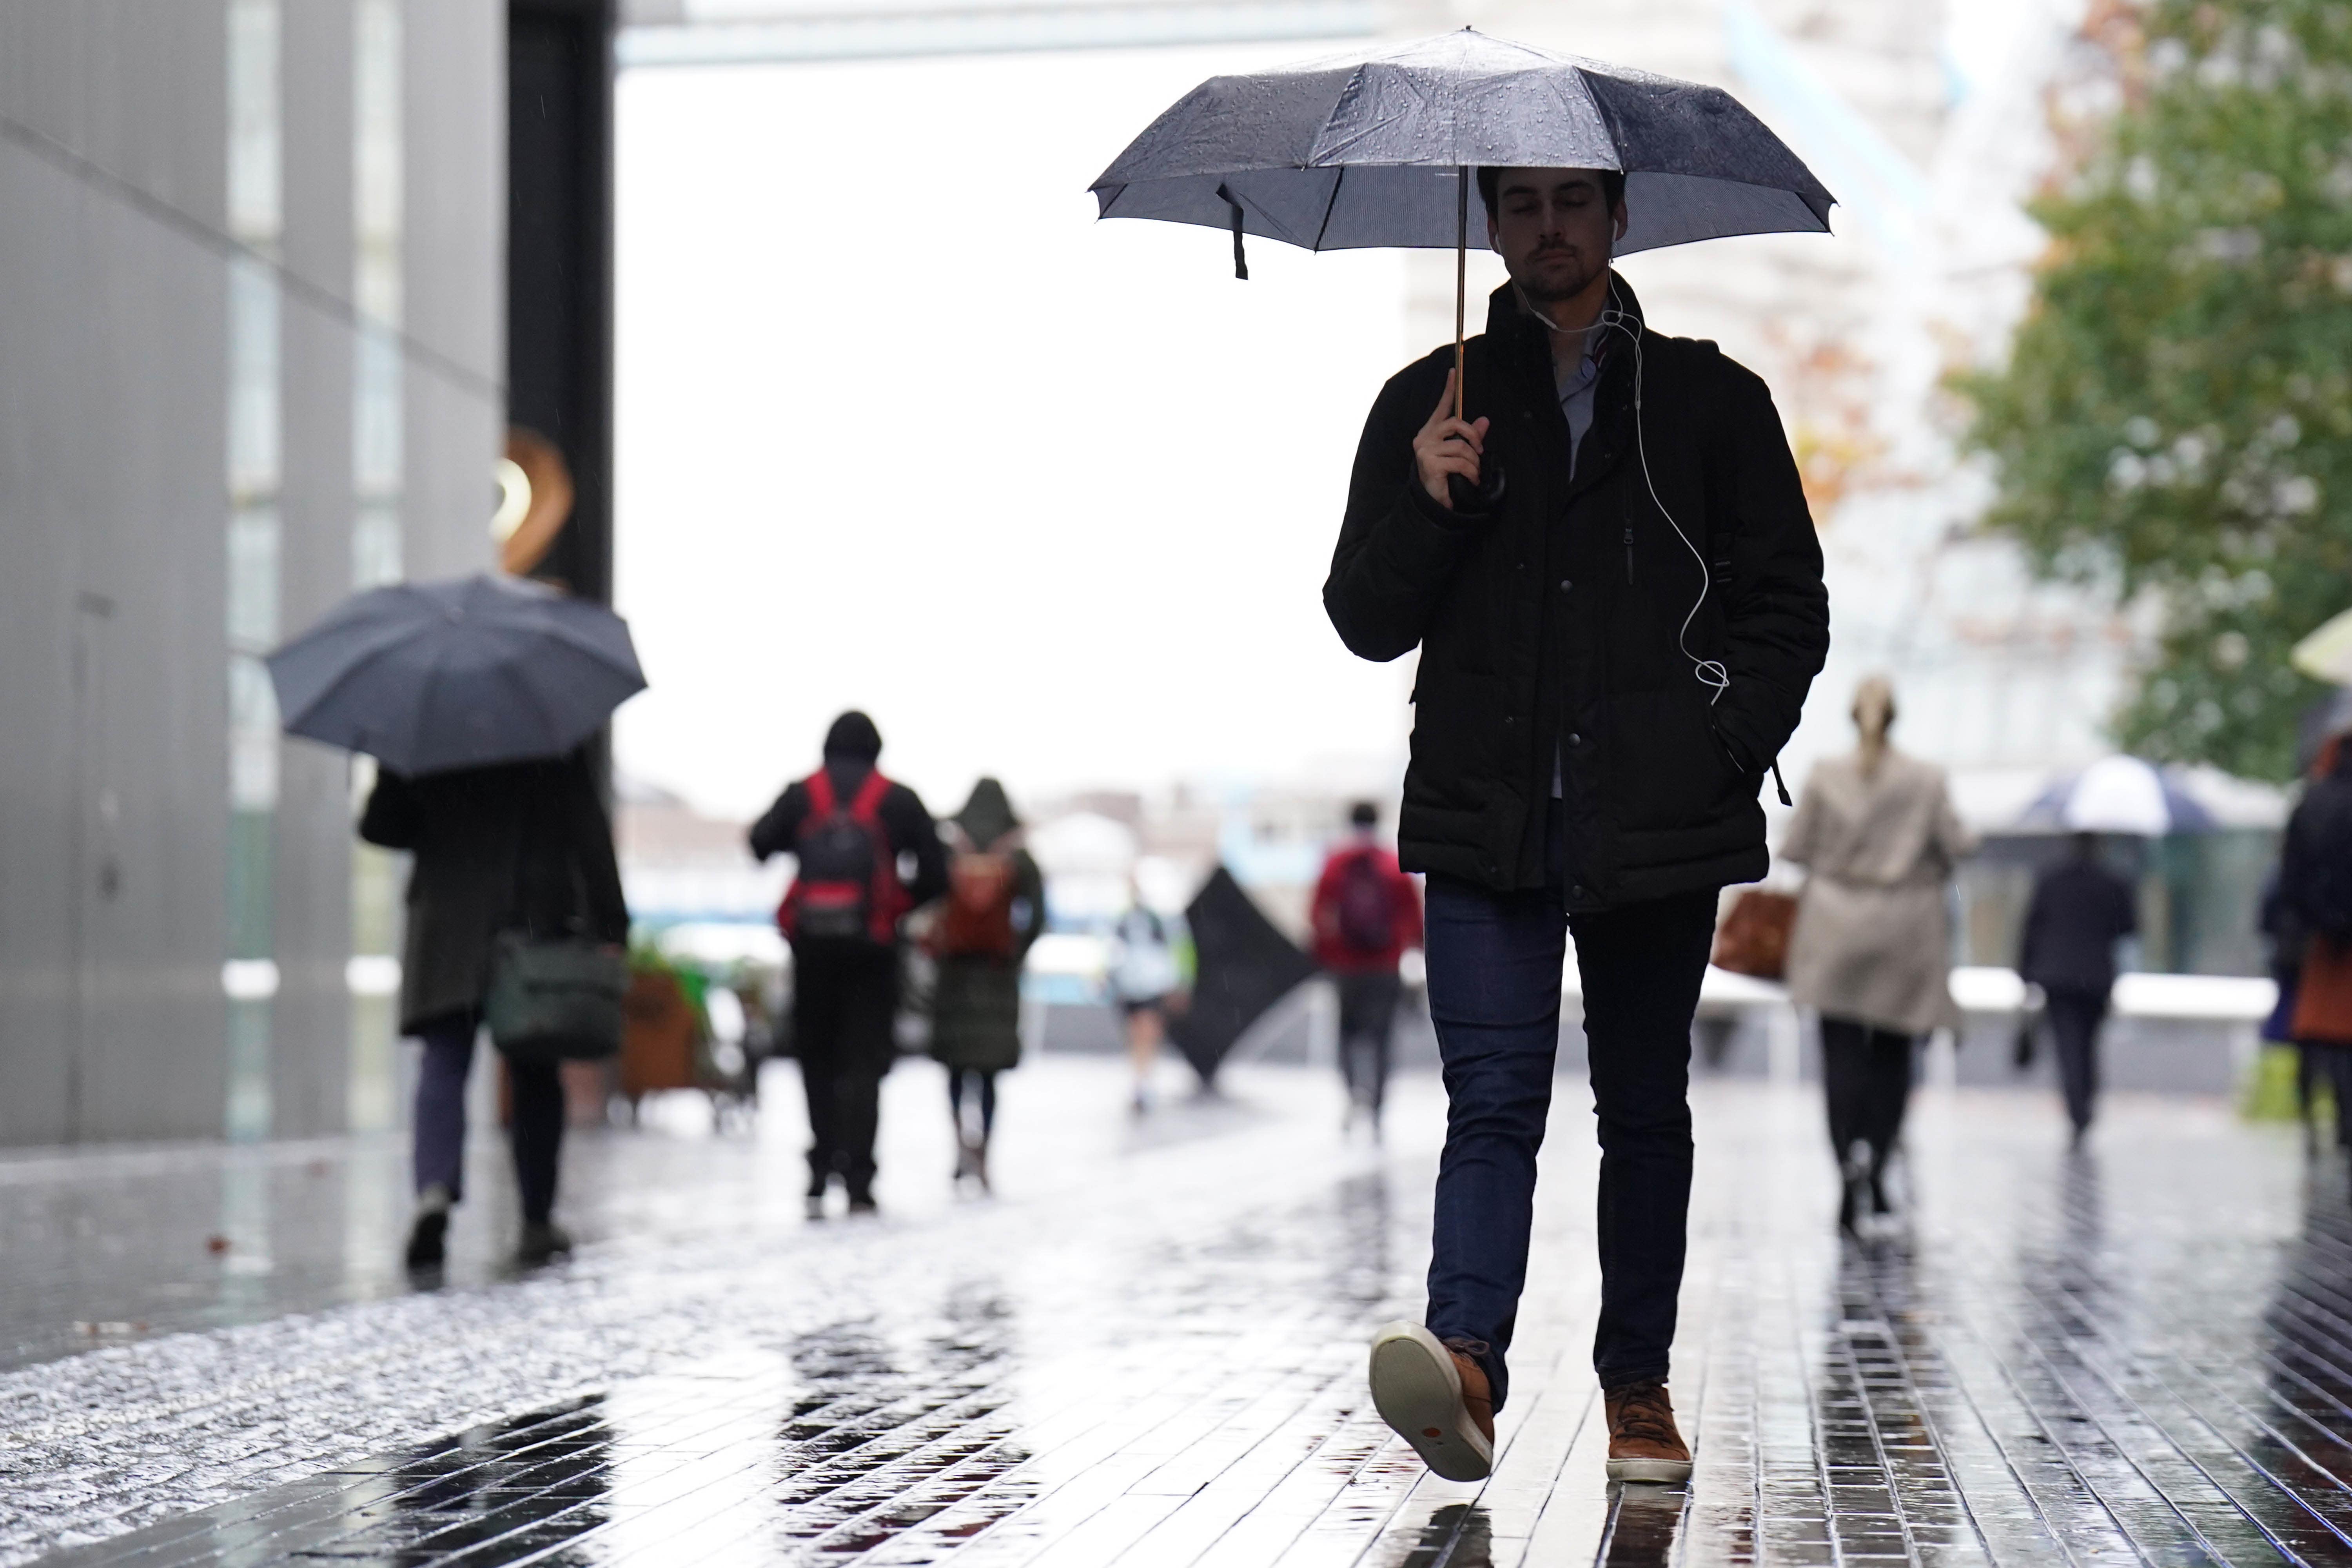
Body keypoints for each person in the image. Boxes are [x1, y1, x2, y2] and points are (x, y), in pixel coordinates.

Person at [1327, 165, 1829, 1485]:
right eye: (1521, 205)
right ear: (1491, 225)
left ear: (1617, 217)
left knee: (1645, 1109)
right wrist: (1433, 506)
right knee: (1490, 1102)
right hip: (1485, 817)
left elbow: (1789, 606)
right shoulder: (1426, 405)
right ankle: (1469, 1365)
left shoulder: (1711, 402)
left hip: (1658, 818)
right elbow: (1363, 620)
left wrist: (1721, 743)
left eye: (1571, 203)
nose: (1546, 229)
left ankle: (1638, 1386)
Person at [360, 749, 628, 1269]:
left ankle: (433, 1192)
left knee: (444, 1061)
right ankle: (534, 1219)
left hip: (446, 923)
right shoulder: (547, 734)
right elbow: (588, 828)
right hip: (529, 923)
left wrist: (404, 778)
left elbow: (380, 825)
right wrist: (612, 924)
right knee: (534, 1069)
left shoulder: (427, 733)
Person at [1780, 677, 1973, 1234]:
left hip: (1833, 930)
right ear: (1896, 717)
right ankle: (1880, 1166)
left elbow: (1794, 848)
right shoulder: (1927, 779)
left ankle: (1846, 1168)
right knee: (1894, 1060)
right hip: (1904, 931)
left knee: (1839, 1061)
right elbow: (1957, 844)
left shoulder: (1824, 774)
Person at [750, 711, 946, 1218]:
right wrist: (897, 905)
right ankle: (859, 1177)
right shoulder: (897, 800)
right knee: (864, 1061)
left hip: (812, 950)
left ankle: (819, 1167)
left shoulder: (803, 795)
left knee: (815, 1057)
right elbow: (938, 875)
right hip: (873, 953)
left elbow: (758, 844)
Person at [926, 778, 1045, 1192]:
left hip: (955, 976)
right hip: (998, 978)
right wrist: (1016, 954)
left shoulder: (950, 850)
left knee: (957, 1071)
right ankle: (986, 1154)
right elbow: (1041, 916)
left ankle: (961, 1146)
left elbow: (927, 900)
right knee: (990, 1075)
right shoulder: (1017, 856)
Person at [2017, 833, 2138, 1145]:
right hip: (2096, 977)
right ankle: (2085, 1107)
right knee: (2088, 1046)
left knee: (2068, 1046)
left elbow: (2030, 928)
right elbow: (2128, 926)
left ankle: (2078, 1110)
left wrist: (2025, 974)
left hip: (2058, 977)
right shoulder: (2112, 882)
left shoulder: (2051, 880)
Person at [1311, 800, 1423, 1135]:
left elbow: (1319, 914)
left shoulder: (1335, 863)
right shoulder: (1392, 863)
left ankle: (1351, 1094)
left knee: (1346, 1034)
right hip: (1386, 966)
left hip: (1346, 967)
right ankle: (1377, 1105)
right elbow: (1414, 919)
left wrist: (1327, 954)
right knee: (1383, 1037)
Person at [1107, 887, 1184, 1114]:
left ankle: (1143, 1081)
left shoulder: (1161, 919)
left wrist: (1176, 982)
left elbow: (1177, 949)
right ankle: (1140, 1081)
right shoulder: (1123, 919)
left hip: (1153, 984)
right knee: (1138, 1035)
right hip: (1131, 985)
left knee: (1147, 1033)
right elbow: (1112, 950)